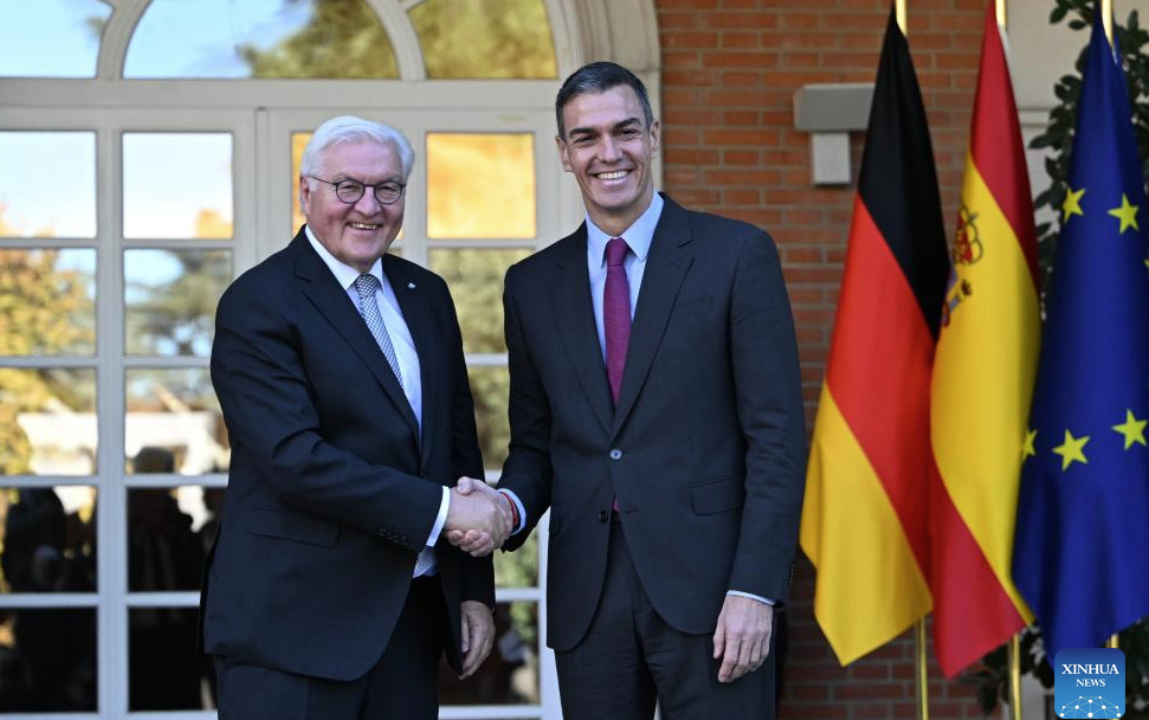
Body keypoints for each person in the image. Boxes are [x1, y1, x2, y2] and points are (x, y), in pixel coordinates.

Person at [451, 62, 806, 719]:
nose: (608, 153)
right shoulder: (531, 285)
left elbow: (777, 441)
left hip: (713, 595)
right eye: (585, 138)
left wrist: (755, 588)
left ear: (654, 135)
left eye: (625, 132)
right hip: (590, 598)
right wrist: (506, 506)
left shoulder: (736, 256)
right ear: (563, 153)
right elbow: (537, 446)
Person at [201, 115, 512, 720]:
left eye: (388, 188)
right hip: (293, 632)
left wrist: (472, 592)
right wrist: (448, 513)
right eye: (348, 187)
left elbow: (456, 446)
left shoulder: (427, 293)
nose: (368, 206)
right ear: (306, 192)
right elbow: (297, 461)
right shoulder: (258, 303)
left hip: (409, 620)